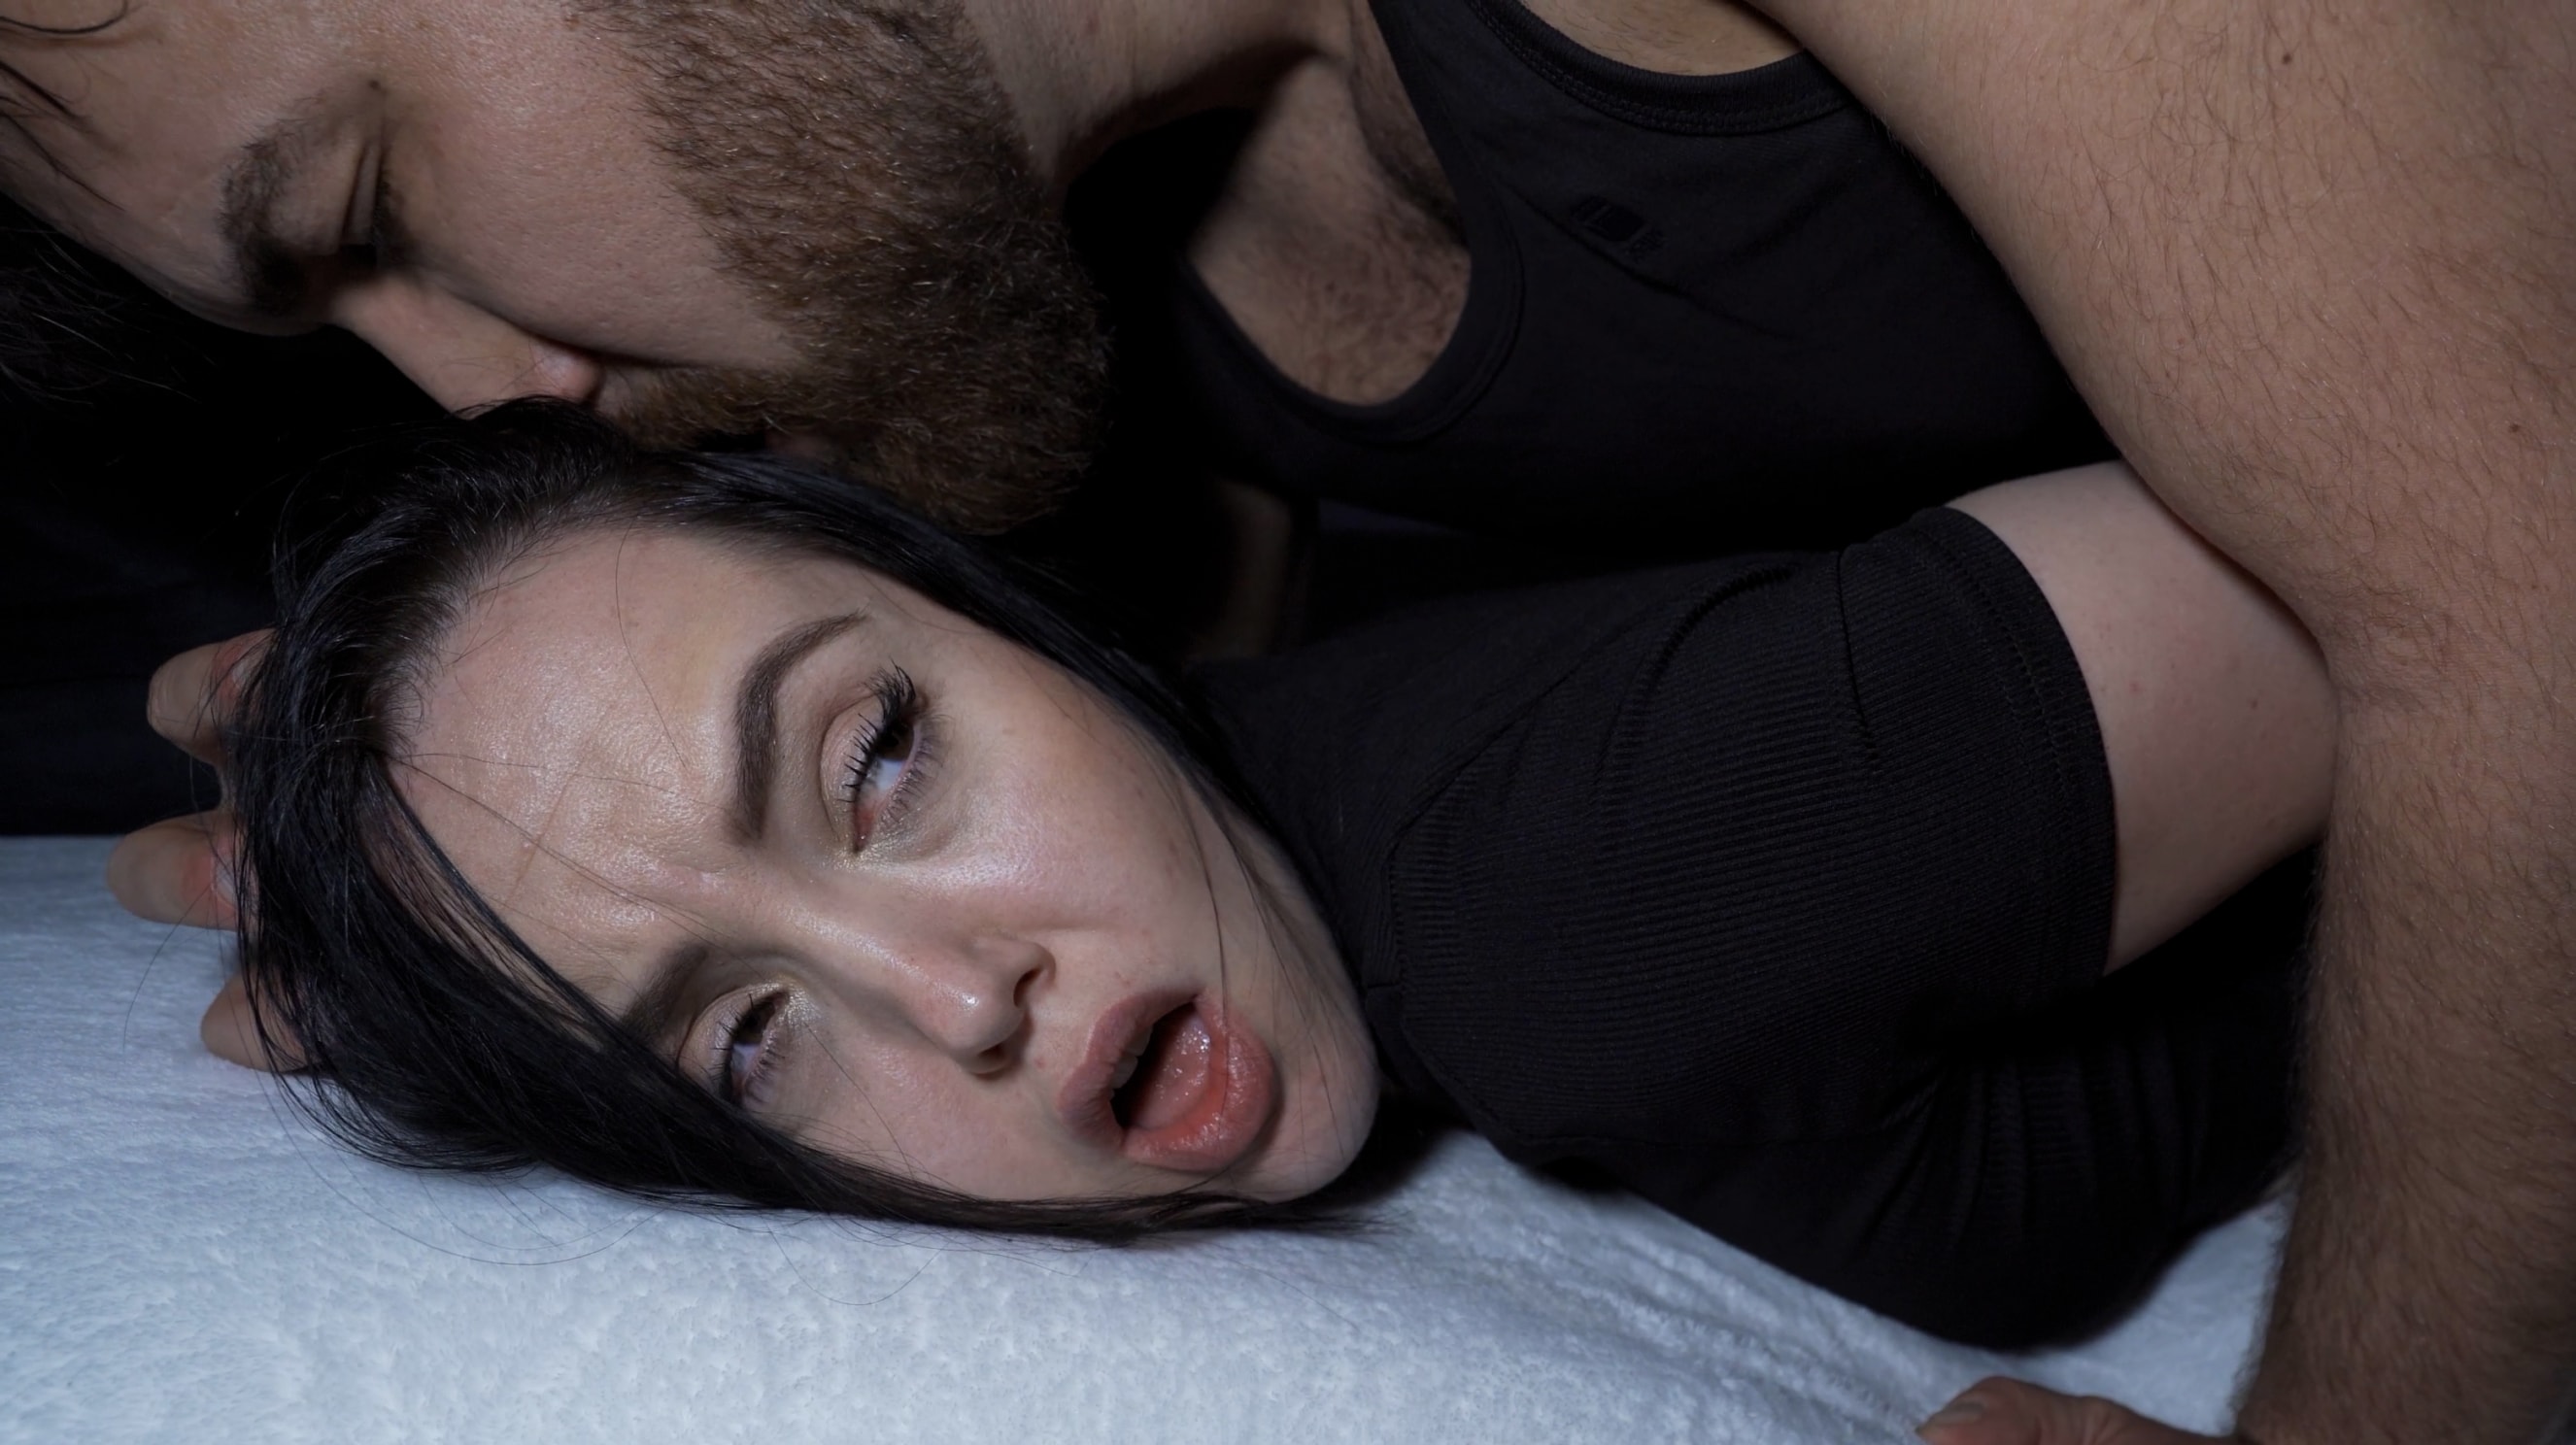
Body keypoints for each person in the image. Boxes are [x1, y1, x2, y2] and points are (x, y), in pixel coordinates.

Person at [13, 0, 2570, 1436]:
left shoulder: (1586, 862)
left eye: (366, 207)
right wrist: (475, 886)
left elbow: (2508, 593)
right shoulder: (1096, 292)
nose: (484, 390)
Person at [191, 402, 2330, 1352]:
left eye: (880, 757)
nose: (960, 1000)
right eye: (749, 1034)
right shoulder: (1365, 841)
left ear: (986, 599)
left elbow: (2462, 556)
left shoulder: (1585, 883)